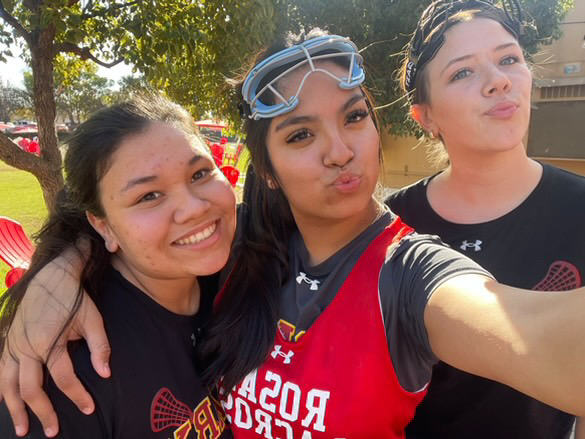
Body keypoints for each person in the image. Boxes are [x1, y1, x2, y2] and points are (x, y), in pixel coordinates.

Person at [3, 30, 585, 439]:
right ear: (268, 171)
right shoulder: (237, 254)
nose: (340, 151)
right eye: (301, 135)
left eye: (354, 117)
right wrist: (59, 266)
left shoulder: (409, 275)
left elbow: (530, 333)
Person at [385, 1, 585, 438]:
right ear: (427, 116)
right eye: (463, 72)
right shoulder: (392, 225)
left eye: (509, 59)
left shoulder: (580, 209)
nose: (498, 82)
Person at [0, 95, 236, 438]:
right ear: (103, 226)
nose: (194, 208)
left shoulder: (248, 266)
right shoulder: (68, 362)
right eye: (149, 196)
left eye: (200, 173)